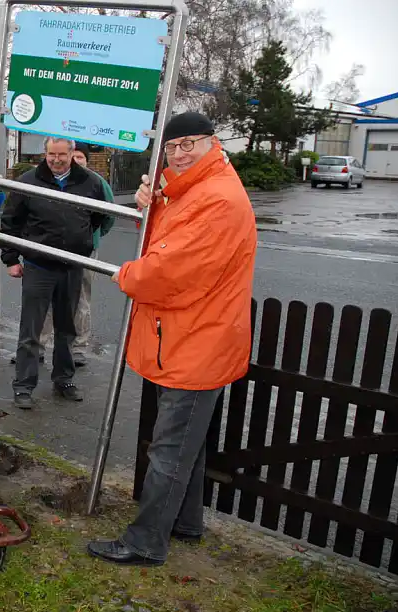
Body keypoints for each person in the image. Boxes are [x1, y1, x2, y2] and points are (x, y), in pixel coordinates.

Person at [87, 112, 257, 567]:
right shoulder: (196, 189)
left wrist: (127, 275)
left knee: (169, 451)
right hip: (191, 337)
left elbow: (170, 270)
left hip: (197, 340)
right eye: (171, 147)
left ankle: (145, 542)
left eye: (189, 144)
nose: (178, 154)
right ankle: (186, 523)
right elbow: (169, 236)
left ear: (212, 143)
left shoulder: (217, 198)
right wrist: (155, 203)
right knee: (185, 445)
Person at [0, 137, 109, 410]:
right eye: (51, 154)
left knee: (66, 329)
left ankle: (64, 379)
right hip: (39, 266)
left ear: (72, 153)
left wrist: (82, 241)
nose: (56, 160)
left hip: (72, 266)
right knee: (31, 330)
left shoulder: (91, 183)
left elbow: (99, 216)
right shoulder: (27, 182)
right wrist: (10, 258)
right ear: (45, 153)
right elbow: (11, 221)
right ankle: (24, 386)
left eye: (62, 155)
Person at [37, 142, 115, 367]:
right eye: (75, 157)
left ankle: (78, 347)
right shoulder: (50, 179)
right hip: (51, 249)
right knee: (46, 298)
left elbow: (108, 215)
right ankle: (38, 345)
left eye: (81, 157)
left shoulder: (97, 183)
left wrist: (90, 236)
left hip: (84, 252)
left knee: (80, 299)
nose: (77, 161)